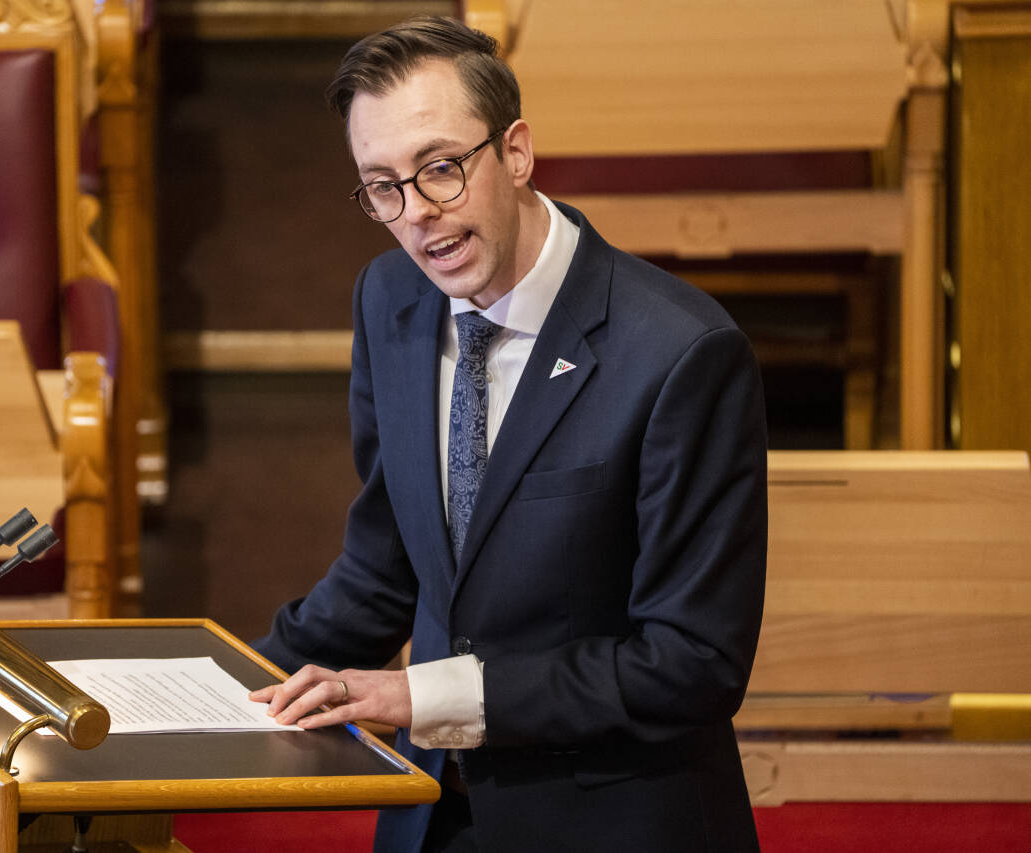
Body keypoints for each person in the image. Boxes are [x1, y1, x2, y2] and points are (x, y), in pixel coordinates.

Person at [249, 15, 767, 852]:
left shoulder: (681, 352)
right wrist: (220, 687)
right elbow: (387, 565)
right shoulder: (390, 300)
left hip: (614, 819)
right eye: (382, 186)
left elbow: (691, 663)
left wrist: (426, 698)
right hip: (433, 820)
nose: (417, 214)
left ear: (517, 151)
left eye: (442, 170)